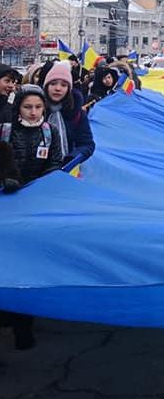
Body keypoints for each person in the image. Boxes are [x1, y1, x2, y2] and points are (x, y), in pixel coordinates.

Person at [1, 84, 66, 351]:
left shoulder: (49, 133)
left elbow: (56, 163)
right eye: (27, 107)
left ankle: (24, 324)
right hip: (7, 204)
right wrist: (7, 180)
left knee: (29, 263)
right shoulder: (5, 131)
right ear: (18, 108)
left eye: (38, 107)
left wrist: (42, 186)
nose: (33, 112)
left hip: (36, 204)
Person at [42, 61, 94, 170]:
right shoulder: (35, 108)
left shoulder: (77, 112)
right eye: (53, 83)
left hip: (65, 169)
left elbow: (87, 144)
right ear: (46, 86)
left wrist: (72, 159)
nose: (58, 88)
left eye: (63, 85)